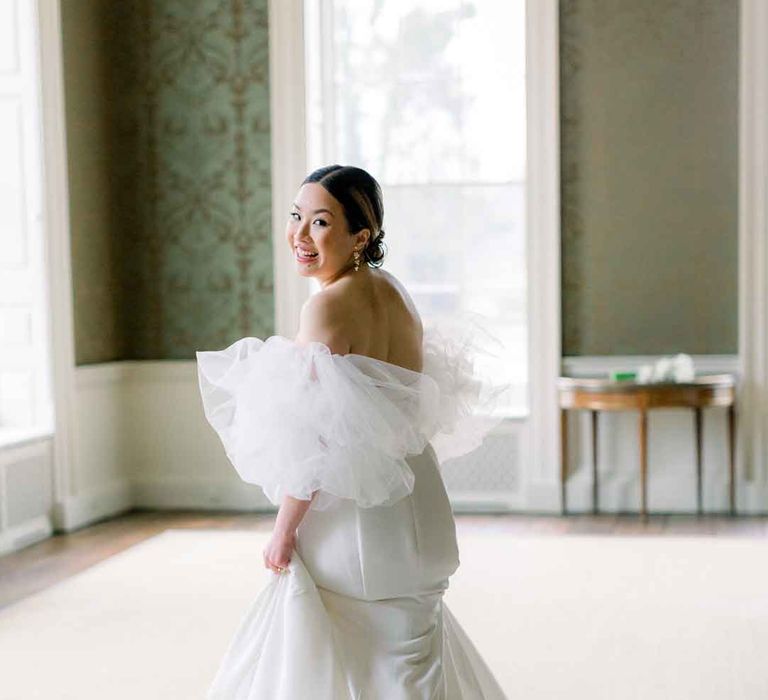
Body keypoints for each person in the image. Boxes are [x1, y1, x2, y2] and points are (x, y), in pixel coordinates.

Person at [196, 164, 509, 699]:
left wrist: (284, 528)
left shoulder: (325, 308)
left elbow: (313, 439)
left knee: (335, 650)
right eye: (296, 217)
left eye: (320, 222)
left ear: (360, 236)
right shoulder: (395, 293)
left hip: (356, 510)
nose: (299, 235)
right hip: (416, 499)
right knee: (409, 653)